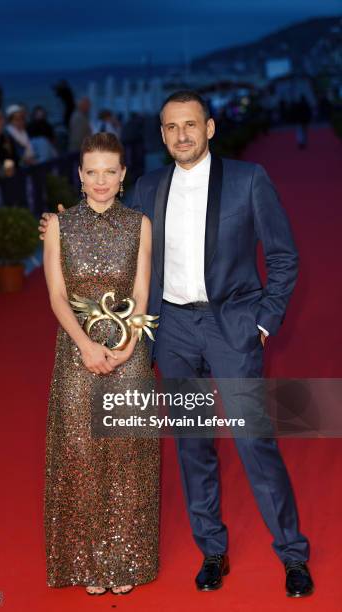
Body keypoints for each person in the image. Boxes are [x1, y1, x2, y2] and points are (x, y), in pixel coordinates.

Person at [39, 90, 314, 599]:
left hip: (233, 327)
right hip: (173, 332)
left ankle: (293, 554)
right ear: (162, 134)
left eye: (190, 124)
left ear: (209, 128)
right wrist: (62, 222)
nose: (181, 135)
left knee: (255, 443)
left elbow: (284, 257)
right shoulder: (147, 186)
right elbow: (110, 218)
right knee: (194, 447)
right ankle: (212, 550)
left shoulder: (249, 180)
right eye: (171, 127)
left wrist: (263, 322)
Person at [42, 132, 159, 596]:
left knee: (129, 454)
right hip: (75, 351)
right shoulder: (59, 226)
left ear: (124, 174)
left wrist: (129, 345)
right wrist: (85, 346)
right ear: (80, 174)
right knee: (82, 453)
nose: (101, 180)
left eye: (110, 171)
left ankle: (125, 558)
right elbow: (55, 295)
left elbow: (142, 291)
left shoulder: (139, 224)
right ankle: (89, 560)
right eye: (92, 171)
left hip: (129, 350)